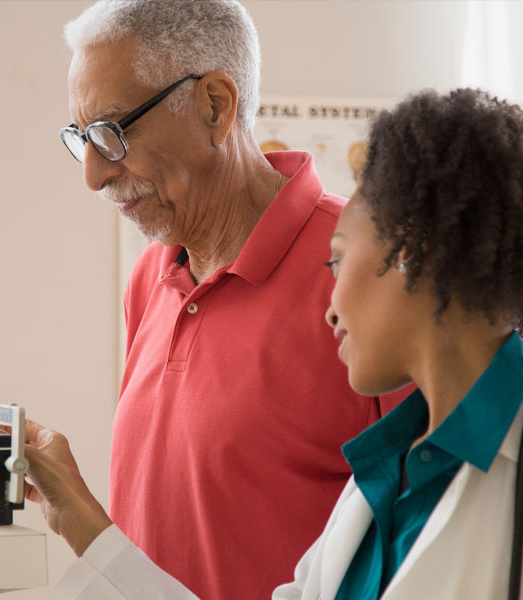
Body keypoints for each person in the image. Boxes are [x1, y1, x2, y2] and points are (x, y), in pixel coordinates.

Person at [0, 88, 523, 598]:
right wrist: (80, 522)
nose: (330, 305)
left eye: (338, 259)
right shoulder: (375, 491)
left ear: (414, 255)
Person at [53, 1, 411, 598]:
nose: (92, 174)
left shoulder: (369, 274)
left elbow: (431, 540)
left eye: (112, 133)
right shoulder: (150, 278)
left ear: (215, 106)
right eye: (81, 137)